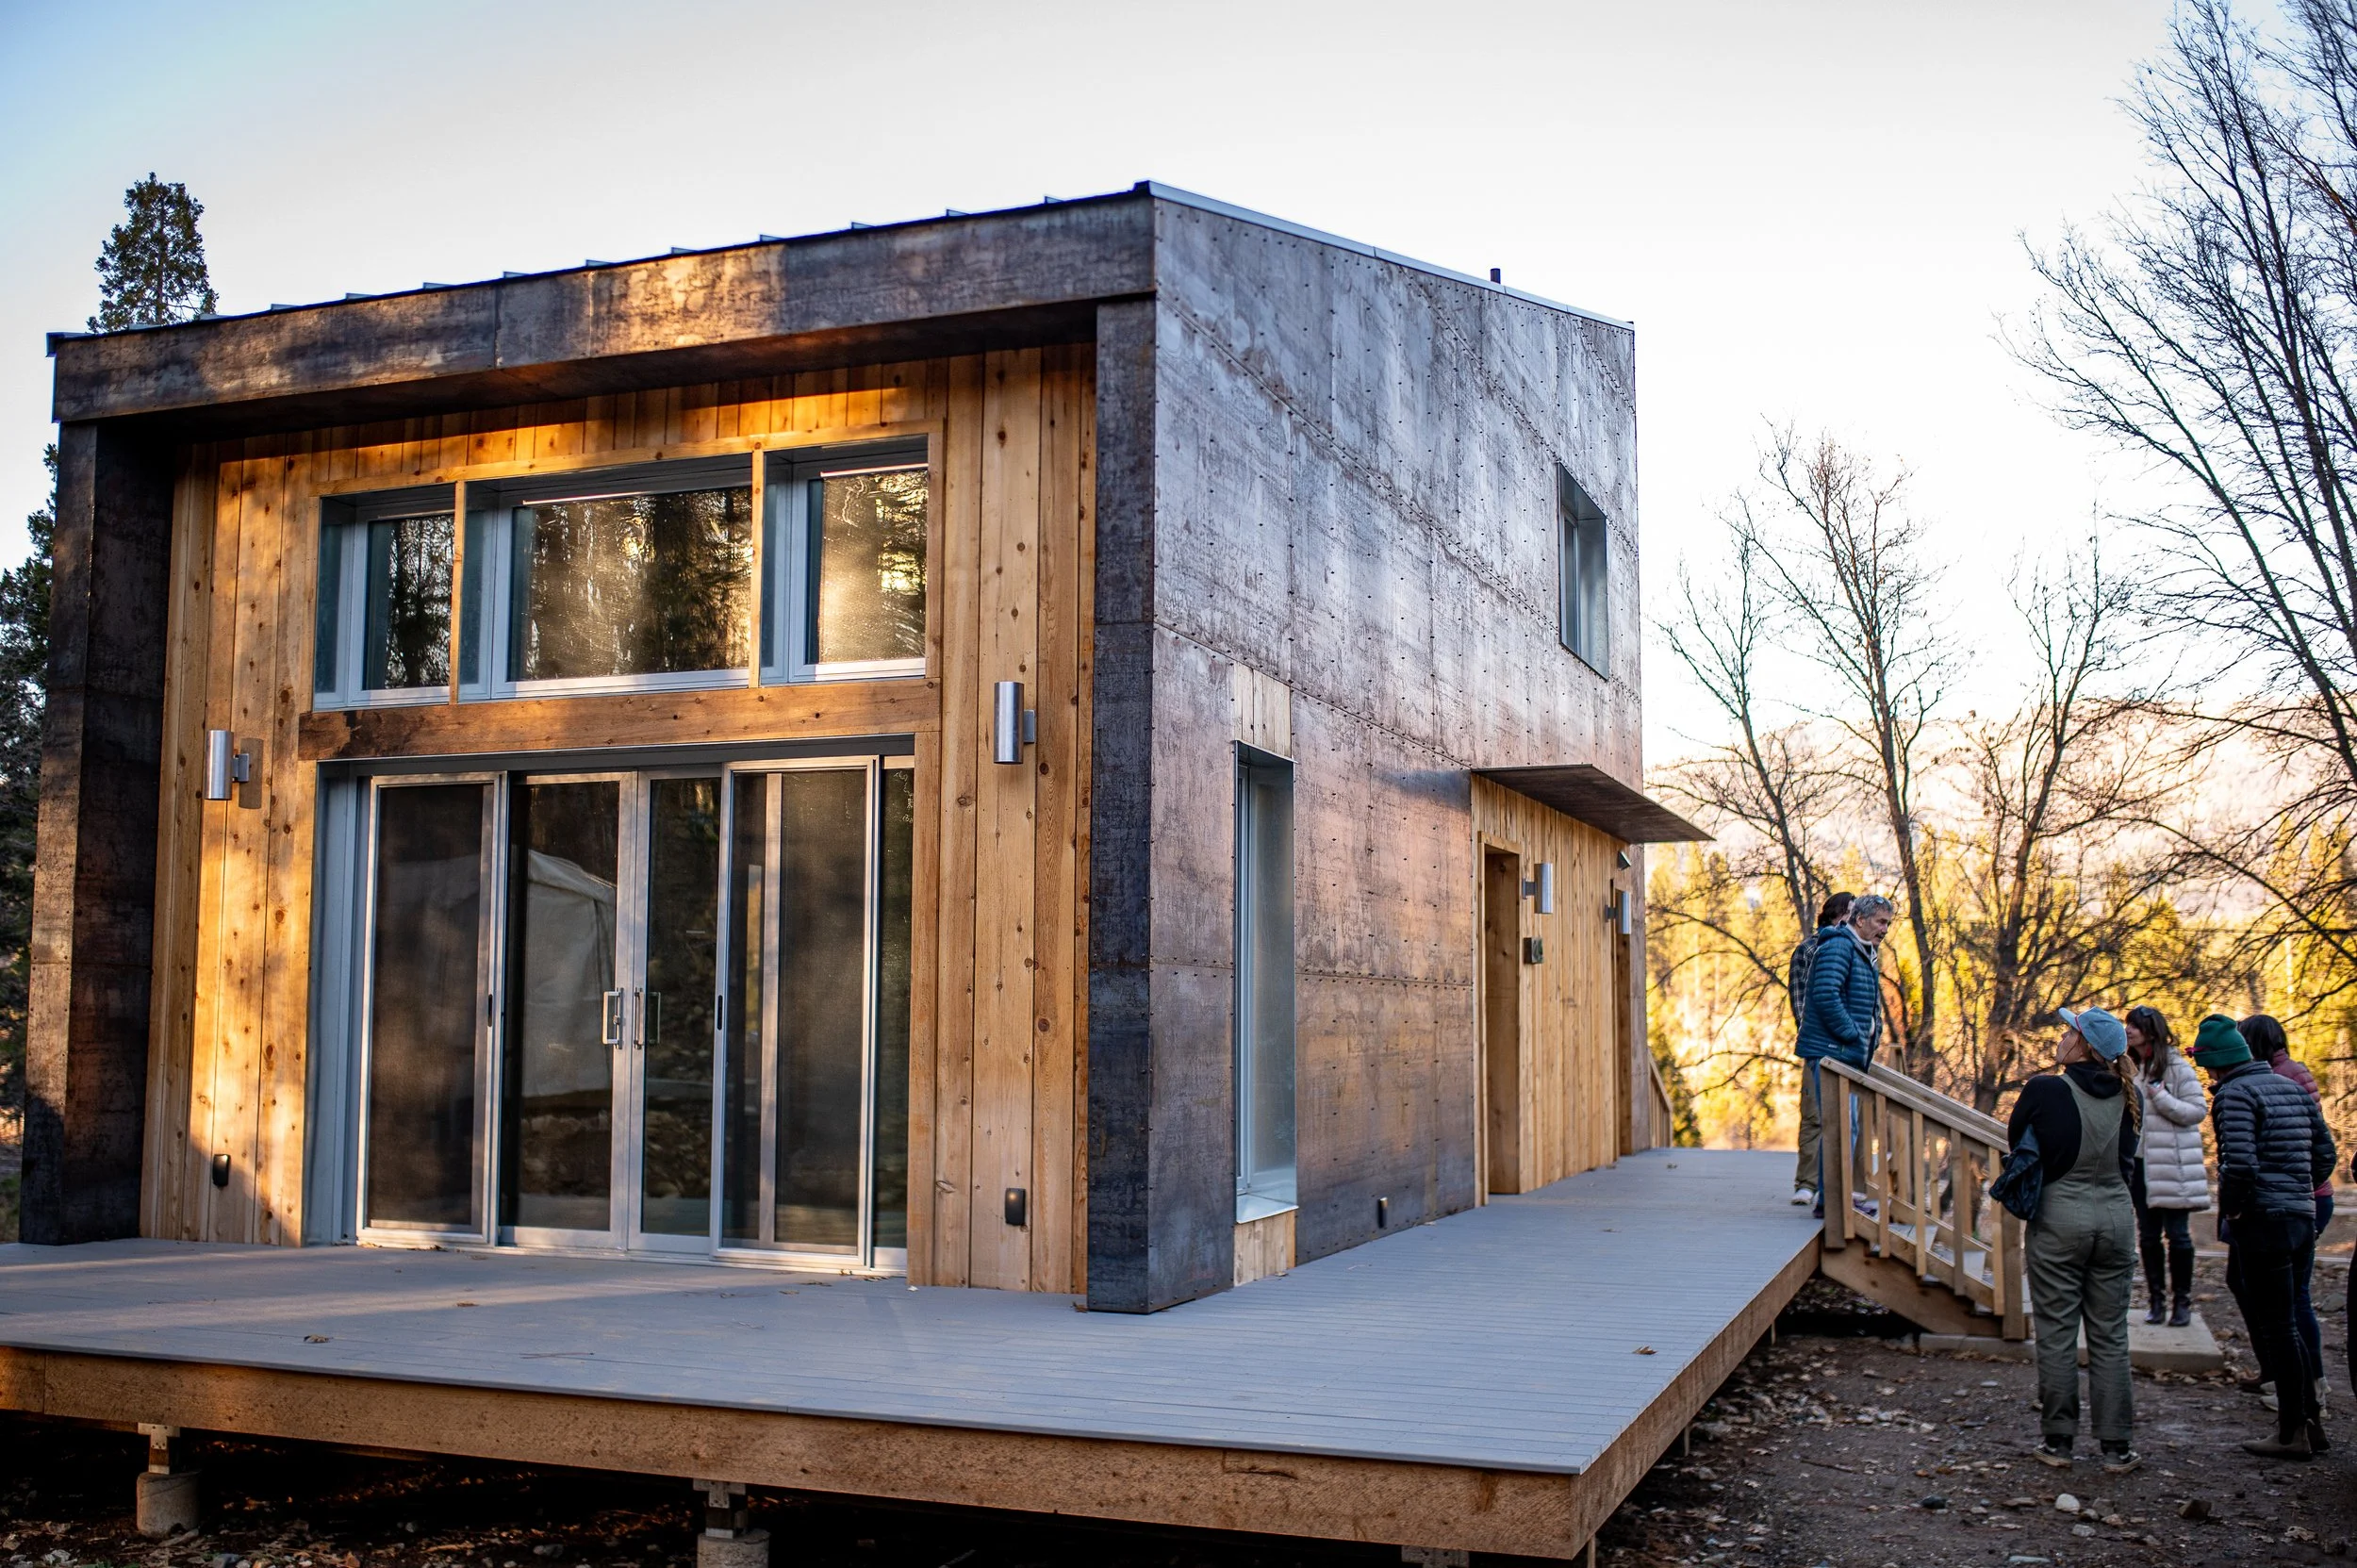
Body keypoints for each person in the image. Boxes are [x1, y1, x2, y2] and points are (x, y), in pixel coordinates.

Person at [2193, 1014, 2338, 1459]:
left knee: (2277, 1325)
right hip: (2300, 1217)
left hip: (2265, 1222)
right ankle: (2310, 1420)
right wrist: (2297, 1189)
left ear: (2217, 1063)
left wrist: (2236, 1208)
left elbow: (2239, 1164)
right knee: (2290, 1319)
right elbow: (2326, 1153)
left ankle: (2290, 1432)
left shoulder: (2235, 1094)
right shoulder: (2290, 1087)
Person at [2006, 1006, 2142, 1473]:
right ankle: (2117, 1449)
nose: (2062, 1037)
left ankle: (2059, 1443)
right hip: (2118, 1218)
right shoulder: (2130, 1094)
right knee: (2110, 1337)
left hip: (2060, 1218)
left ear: (2084, 1046)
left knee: (2058, 1333)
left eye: (2070, 1032)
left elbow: (2016, 1139)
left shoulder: (2045, 1089)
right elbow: (2128, 1159)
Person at [2237, 1014, 2333, 1419]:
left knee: (2293, 1299)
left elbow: (2310, 1145)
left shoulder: (2285, 1077)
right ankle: (2283, 1377)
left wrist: (2293, 1187)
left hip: (2293, 1202)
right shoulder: (2283, 1072)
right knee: (2263, 1290)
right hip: (2293, 1199)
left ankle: (2311, 1392)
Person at [1797, 894, 1893, 1216]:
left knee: (1845, 1128)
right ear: (1860, 919)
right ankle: (1831, 1203)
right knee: (1838, 1129)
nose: (1885, 930)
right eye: (1880, 922)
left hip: (1843, 1056)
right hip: (1830, 1054)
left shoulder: (1862, 950)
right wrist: (1854, 1033)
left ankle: (1832, 1199)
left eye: (1888, 924)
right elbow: (1825, 995)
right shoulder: (1839, 946)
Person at [2125, 1006, 2206, 1328]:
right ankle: (2156, 1302)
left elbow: (2197, 1111)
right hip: (2140, 1165)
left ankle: (2181, 1303)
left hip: (2172, 1166)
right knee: (2147, 1236)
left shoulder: (2175, 1067)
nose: (2128, 1029)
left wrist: (2161, 1097)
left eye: (2135, 1025)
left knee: (2178, 1236)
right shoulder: (2128, 1067)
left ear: (2152, 1030)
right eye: (2127, 1024)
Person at [1788, 891, 1854, 1206]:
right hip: (1818, 1046)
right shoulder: (1808, 949)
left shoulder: (1858, 950)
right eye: (1849, 913)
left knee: (1848, 1120)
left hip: (1849, 1049)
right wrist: (1819, 1037)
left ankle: (1839, 1186)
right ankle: (1807, 1183)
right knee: (1814, 1116)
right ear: (1835, 914)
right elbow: (1800, 1001)